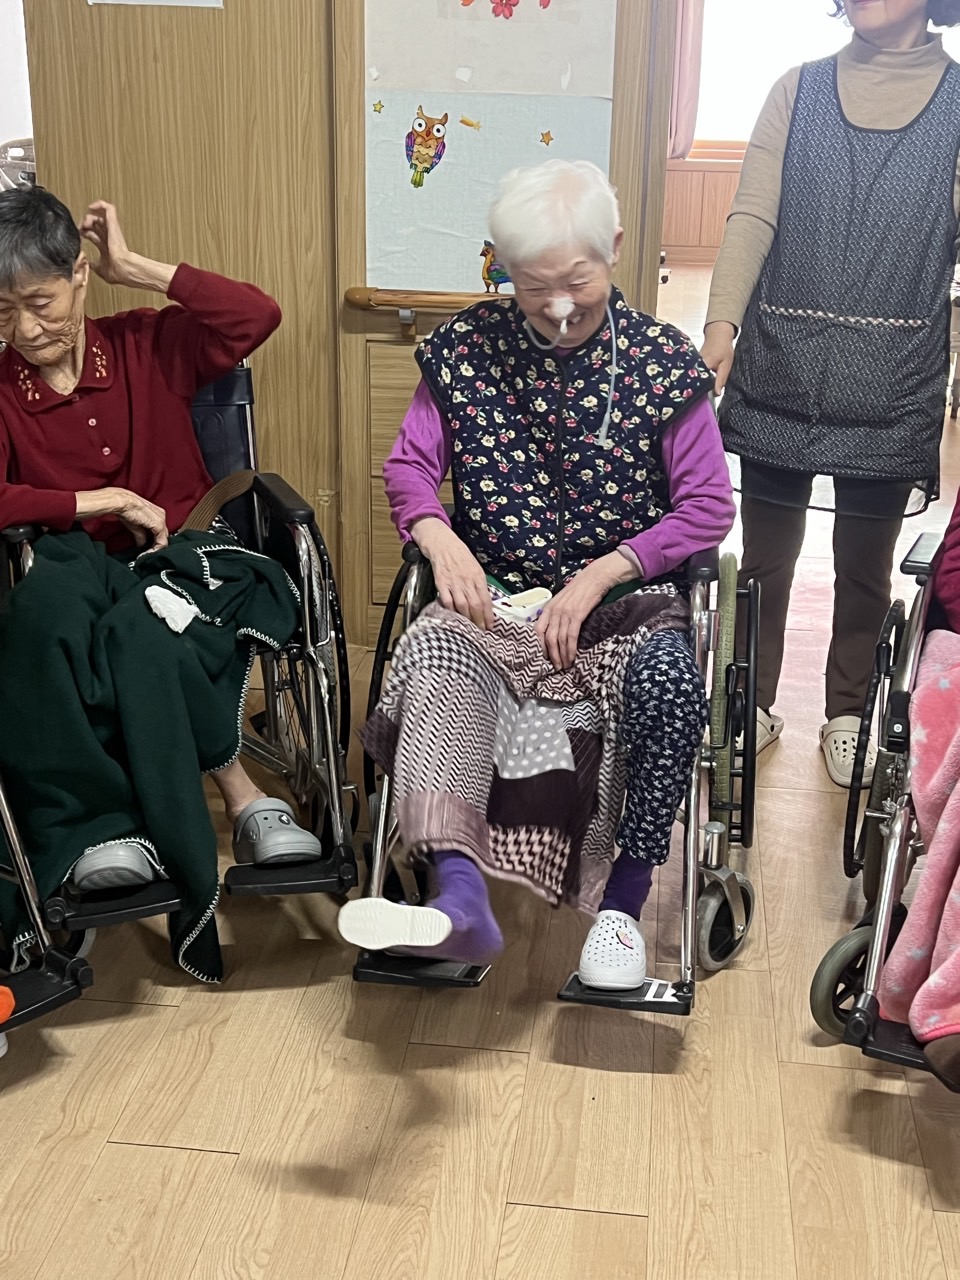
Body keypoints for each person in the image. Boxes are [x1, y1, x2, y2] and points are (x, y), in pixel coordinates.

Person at [337, 160, 735, 990]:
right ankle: (459, 902)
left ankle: (621, 908)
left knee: (670, 684)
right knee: (432, 653)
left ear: (614, 248)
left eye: (576, 281)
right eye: (532, 286)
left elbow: (706, 506)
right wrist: (437, 535)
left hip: (624, 606)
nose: (557, 306)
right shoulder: (465, 351)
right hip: (499, 599)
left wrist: (604, 573)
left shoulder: (662, 364)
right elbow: (410, 466)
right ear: (501, 267)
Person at [0, 186, 322, 981]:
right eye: (3, 313)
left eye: (40, 303)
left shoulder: (145, 344)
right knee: (44, 619)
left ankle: (243, 800)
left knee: (147, 626)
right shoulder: (4, 387)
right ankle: (96, 832)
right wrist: (97, 501)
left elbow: (256, 316)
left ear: (79, 276)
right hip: (69, 564)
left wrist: (136, 267)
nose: (26, 330)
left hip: (184, 559)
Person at [700, 0, 960, 788]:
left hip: (895, 374)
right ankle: (750, 705)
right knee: (765, 559)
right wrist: (720, 327)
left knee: (865, 566)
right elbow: (753, 215)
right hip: (781, 361)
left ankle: (848, 714)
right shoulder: (797, 88)